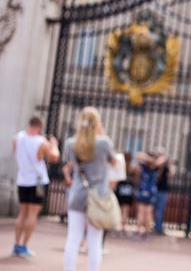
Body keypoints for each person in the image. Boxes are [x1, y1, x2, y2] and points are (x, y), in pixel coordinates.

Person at [63, 107, 117, 271]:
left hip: (78, 193)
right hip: (98, 195)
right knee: (95, 241)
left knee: (73, 237)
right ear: (97, 123)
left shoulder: (71, 143)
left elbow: (71, 163)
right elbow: (114, 162)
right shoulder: (104, 142)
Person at [12, 116, 60, 257]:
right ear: (39, 126)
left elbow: (16, 154)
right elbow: (54, 157)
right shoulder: (41, 141)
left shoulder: (17, 138)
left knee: (22, 214)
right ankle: (24, 245)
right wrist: (54, 144)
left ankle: (16, 244)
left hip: (23, 179)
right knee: (32, 214)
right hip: (37, 181)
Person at [134, 150, 165, 238]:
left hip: (143, 190)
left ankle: (139, 231)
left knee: (142, 212)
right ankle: (146, 232)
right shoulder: (154, 166)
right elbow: (161, 160)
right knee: (148, 213)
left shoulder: (144, 166)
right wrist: (152, 159)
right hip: (151, 191)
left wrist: (147, 159)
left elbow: (138, 156)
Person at [153, 150, 174, 235]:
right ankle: (158, 227)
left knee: (159, 210)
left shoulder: (165, 166)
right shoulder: (155, 165)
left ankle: (158, 226)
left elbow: (170, 175)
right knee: (157, 210)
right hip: (158, 190)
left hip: (162, 190)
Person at [114, 154, 135, 236]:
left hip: (120, 188)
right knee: (125, 210)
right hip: (128, 189)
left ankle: (118, 227)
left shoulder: (120, 165)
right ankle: (123, 227)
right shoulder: (132, 167)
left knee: (119, 210)